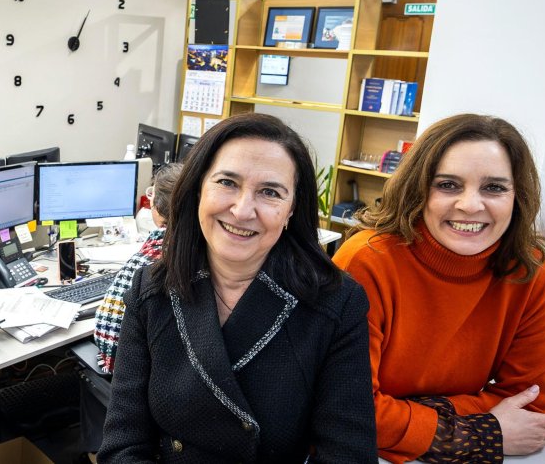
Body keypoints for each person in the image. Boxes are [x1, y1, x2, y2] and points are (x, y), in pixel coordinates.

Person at [98, 113, 376, 463]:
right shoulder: (151, 290)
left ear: (291, 209)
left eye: (270, 192)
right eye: (227, 182)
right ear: (199, 188)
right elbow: (123, 447)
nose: (243, 210)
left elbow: (348, 455)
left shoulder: (336, 303)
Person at [332, 114, 545, 463]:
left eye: (494, 188)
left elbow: (532, 409)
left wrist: (404, 416)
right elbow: (347, 411)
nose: (470, 205)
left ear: (518, 196)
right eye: (448, 185)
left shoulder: (531, 269)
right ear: (419, 190)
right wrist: (480, 432)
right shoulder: (366, 262)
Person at [79, 163, 183, 459]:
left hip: (136, 397)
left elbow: (108, 335)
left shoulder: (145, 263)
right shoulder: (203, 252)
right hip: (176, 390)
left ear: (157, 209)